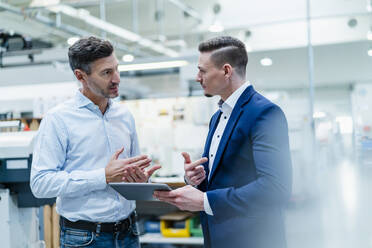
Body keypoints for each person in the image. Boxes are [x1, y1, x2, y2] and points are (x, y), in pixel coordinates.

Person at [154, 36, 292, 248]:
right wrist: (196, 179)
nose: (197, 77)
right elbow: (223, 177)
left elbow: (275, 188)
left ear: (226, 71)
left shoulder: (265, 113)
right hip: (218, 236)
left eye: (203, 70)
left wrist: (205, 201)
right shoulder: (218, 117)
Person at [30, 36, 160, 248]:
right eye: (106, 73)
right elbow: (40, 184)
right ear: (81, 76)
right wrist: (102, 176)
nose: (117, 78)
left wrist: (139, 181)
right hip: (85, 237)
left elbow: (128, 173)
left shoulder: (124, 115)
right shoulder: (58, 119)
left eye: (116, 69)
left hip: (129, 232)